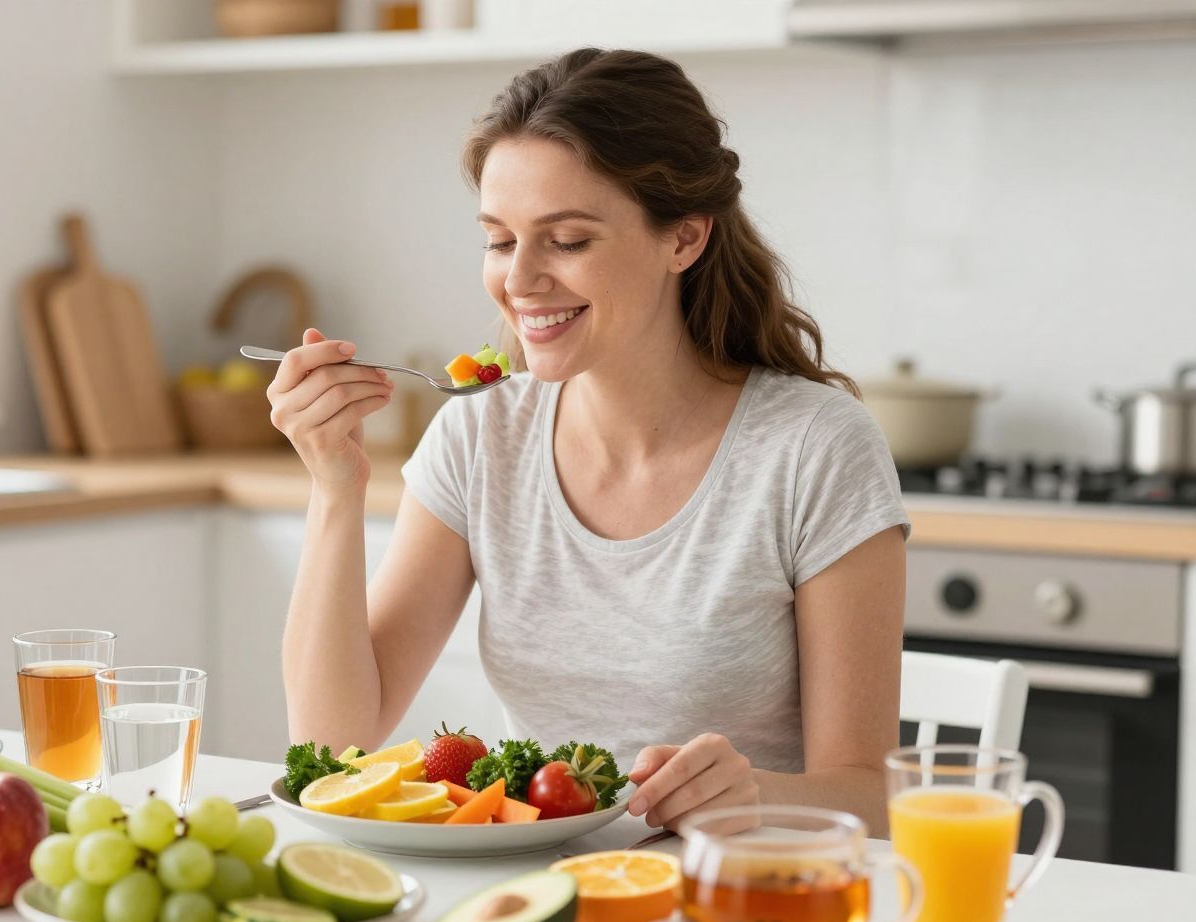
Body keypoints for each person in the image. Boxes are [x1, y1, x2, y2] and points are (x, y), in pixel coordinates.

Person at [263, 48, 909, 835]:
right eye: (500, 241)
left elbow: (875, 800)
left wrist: (755, 793)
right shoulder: (480, 434)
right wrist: (335, 488)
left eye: (566, 240)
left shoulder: (815, 449)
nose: (519, 280)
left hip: (738, 886)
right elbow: (332, 746)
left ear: (684, 239)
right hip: (539, 882)